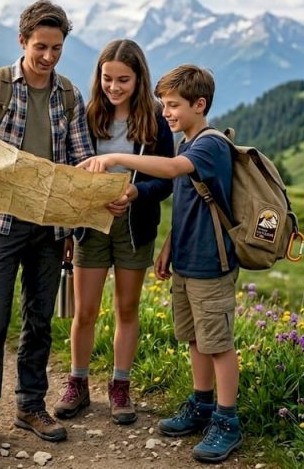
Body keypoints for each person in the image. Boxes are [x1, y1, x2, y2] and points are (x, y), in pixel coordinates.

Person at [78, 64, 243, 463]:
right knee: (193, 337)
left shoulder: (209, 144)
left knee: (218, 343)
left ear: (199, 105)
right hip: (187, 257)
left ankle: (227, 420)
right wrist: (169, 245)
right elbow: (192, 203)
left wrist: (117, 157)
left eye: (173, 105)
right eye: (164, 104)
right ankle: (202, 404)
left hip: (212, 261)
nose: (165, 112)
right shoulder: (188, 143)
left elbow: (169, 171)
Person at [0, 0, 94, 457]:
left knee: (39, 319)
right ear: (22, 41)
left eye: (56, 48)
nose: (49, 57)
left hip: (49, 228)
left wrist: (89, 207)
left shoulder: (70, 95)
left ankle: (31, 406)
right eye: (41, 47)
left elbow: (78, 161)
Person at [52, 39, 173, 425]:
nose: (115, 87)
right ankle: (78, 383)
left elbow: (167, 180)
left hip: (135, 226)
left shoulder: (155, 120)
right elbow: (72, 172)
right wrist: (69, 229)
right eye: (107, 78)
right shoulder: (87, 116)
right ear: (98, 76)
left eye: (124, 79)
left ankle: (120, 386)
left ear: (139, 79)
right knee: (84, 310)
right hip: (90, 225)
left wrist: (136, 192)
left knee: (127, 308)